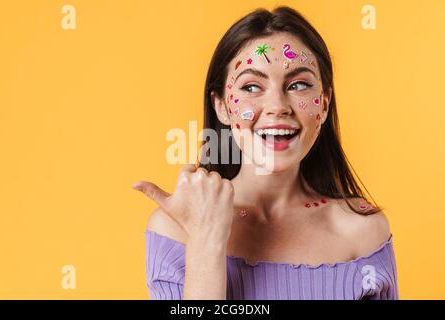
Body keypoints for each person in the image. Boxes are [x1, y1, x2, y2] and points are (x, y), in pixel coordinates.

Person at [133, 6, 399, 300]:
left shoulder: (364, 232)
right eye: (251, 86)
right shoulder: (175, 230)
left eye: (298, 85)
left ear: (323, 103)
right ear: (221, 105)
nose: (277, 106)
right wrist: (206, 242)